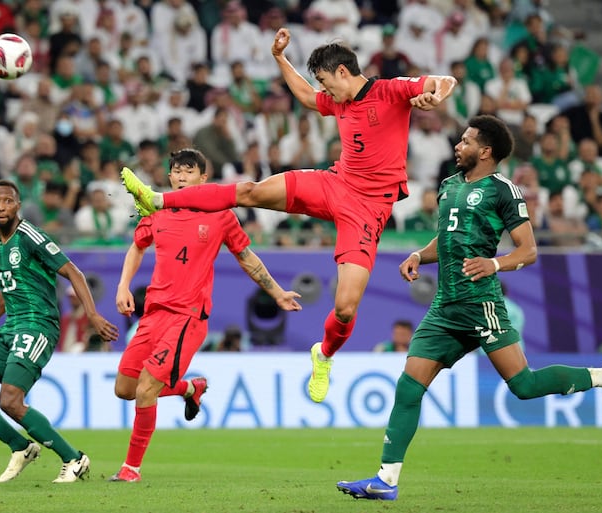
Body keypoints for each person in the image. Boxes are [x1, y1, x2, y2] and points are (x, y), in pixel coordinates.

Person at [121, 27, 457, 403]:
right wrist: (280, 58)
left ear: (343, 72)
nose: (326, 93)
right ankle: (158, 199)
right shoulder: (338, 101)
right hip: (333, 184)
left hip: (367, 209)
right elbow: (305, 96)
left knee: (345, 308)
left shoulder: (390, 91)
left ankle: (324, 354)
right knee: (249, 191)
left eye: (328, 83)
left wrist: (433, 96)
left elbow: (444, 80)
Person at [336, 115, 602, 501]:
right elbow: (447, 239)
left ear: (485, 151)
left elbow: (528, 250)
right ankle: (386, 480)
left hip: (480, 301)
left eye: (466, 141)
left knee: (524, 385)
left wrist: (495, 263)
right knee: (409, 385)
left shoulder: (503, 190)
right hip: (445, 307)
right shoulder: (450, 185)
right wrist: (420, 253)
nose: (458, 145)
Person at [109, 148, 302, 482]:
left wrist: (277, 292)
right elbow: (137, 246)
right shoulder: (156, 211)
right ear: (170, 177)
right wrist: (123, 286)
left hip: (188, 317)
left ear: (203, 179)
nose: (182, 177)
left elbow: (246, 256)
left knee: (145, 391)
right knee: (125, 389)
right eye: (177, 171)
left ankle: (131, 469)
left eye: (189, 171)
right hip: (153, 314)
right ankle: (189, 389)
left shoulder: (222, 215)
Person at [0, 179, 119, 484]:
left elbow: (73, 271)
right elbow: (6, 289)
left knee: (10, 400)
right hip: (11, 326)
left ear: (18, 205)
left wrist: (92, 315)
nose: (1, 207)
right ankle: (21, 447)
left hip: (39, 324)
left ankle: (74, 458)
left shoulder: (29, 236)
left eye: (7, 201)